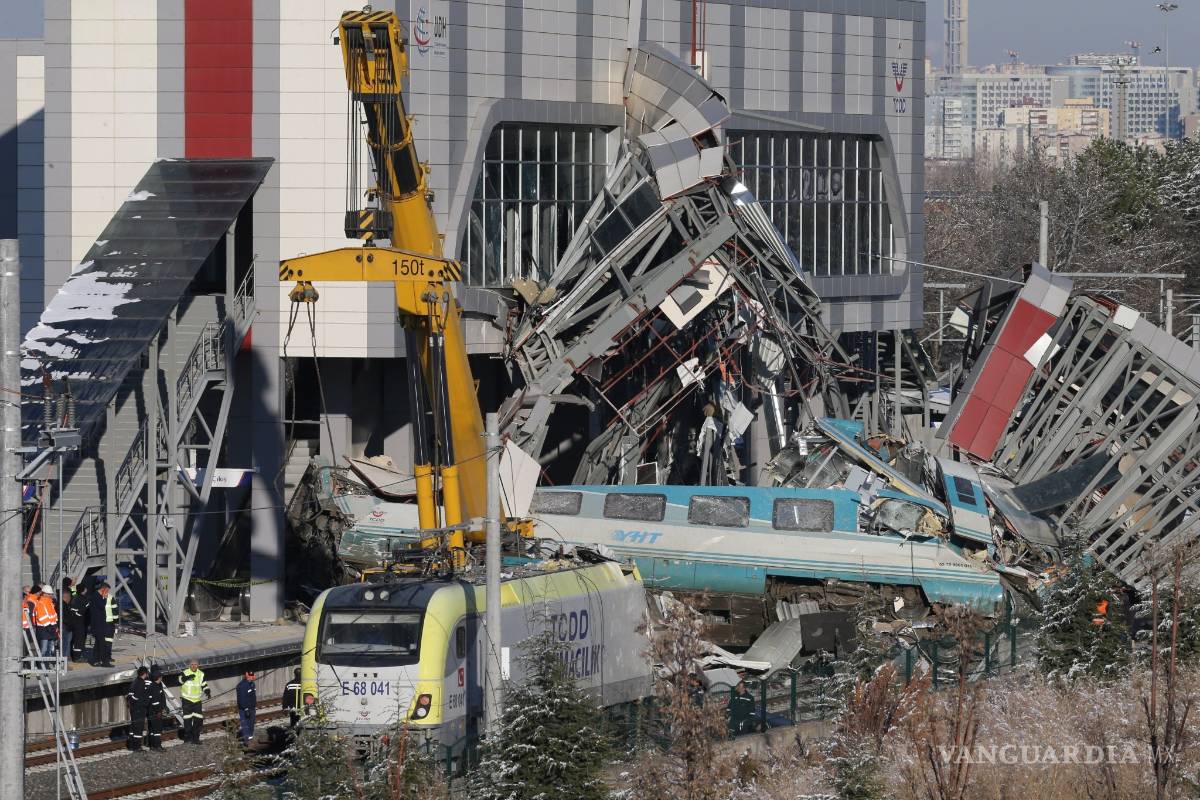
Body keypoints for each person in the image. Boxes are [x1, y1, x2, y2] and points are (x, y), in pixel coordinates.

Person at [178, 659, 210, 744]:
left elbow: (204, 684)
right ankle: (188, 738)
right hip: (187, 700)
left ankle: (196, 738)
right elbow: (179, 680)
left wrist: (207, 691)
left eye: (195, 664)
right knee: (187, 721)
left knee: (198, 720)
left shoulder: (201, 674)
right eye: (192, 664)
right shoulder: (185, 672)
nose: (193, 666)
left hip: (197, 701)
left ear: (198, 665)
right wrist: (187, 678)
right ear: (189, 665)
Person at [89, 583, 117, 667]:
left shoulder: (96, 595)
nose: (107, 593)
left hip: (100, 624)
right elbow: (102, 605)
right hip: (98, 625)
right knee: (102, 644)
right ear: (103, 589)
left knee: (98, 643)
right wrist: (104, 598)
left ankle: (95, 660)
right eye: (107, 590)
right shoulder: (97, 596)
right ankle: (105, 662)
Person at [126, 666, 151, 752]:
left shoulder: (135, 682)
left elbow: (130, 695)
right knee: (138, 728)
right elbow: (136, 697)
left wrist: (131, 703)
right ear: (145, 674)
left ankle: (131, 745)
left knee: (133, 727)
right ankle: (137, 747)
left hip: (134, 709)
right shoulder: (141, 683)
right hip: (139, 709)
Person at [33, 584, 59, 658]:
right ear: (44, 593)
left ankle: (46, 665)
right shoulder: (41, 603)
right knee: (43, 649)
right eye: (49, 594)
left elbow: (53, 615)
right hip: (44, 628)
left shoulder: (50, 603)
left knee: (49, 649)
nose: (50, 595)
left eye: (51, 594)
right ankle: (41, 666)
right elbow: (42, 617)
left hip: (50, 627)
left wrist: (55, 626)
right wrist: (50, 627)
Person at [65, 583, 89, 663]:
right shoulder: (83, 600)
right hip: (80, 623)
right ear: (83, 590)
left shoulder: (74, 598)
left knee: (75, 639)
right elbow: (83, 612)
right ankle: (77, 657)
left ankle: (74, 655)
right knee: (79, 640)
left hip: (74, 622)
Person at [146, 666, 167, 751]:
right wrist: (159, 711)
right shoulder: (155, 687)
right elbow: (155, 702)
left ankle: (152, 745)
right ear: (158, 677)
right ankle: (157, 746)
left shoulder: (155, 685)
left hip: (151, 711)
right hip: (155, 711)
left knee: (152, 729)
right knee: (157, 730)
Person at [236, 670, 257, 747]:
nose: (252, 677)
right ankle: (247, 741)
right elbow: (241, 699)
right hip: (245, 709)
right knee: (245, 724)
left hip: (251, 708)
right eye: (250, 675)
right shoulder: (242, 686)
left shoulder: (252, 684)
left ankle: (250, 739)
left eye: (252, 675)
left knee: (251, 724)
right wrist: (246, 709)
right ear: (246, 675)